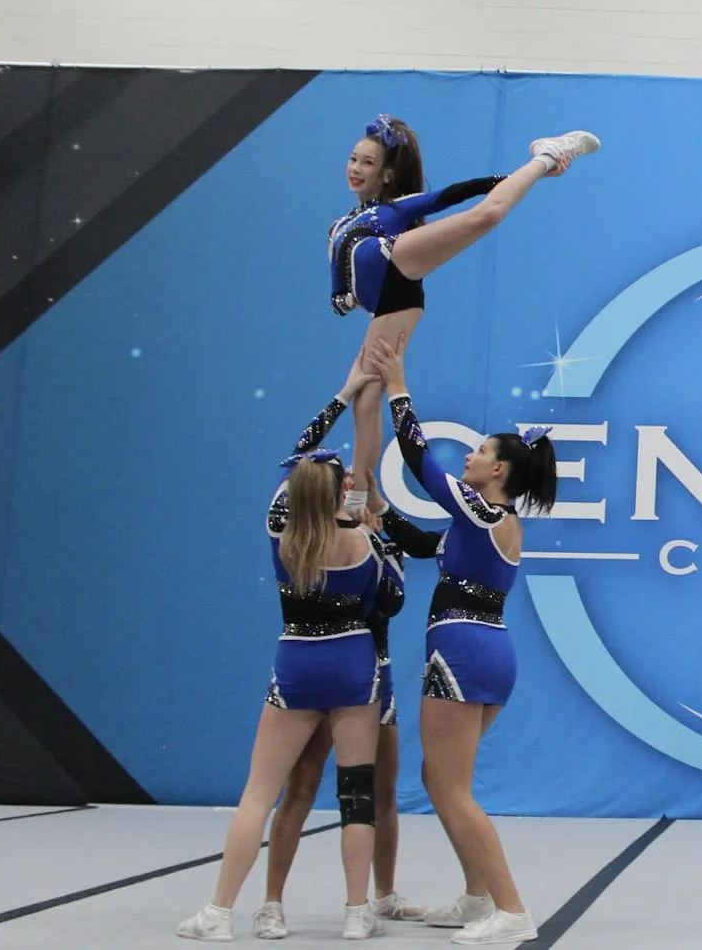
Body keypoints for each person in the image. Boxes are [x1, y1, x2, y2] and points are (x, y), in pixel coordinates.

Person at [178, 379, 397, 942]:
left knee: (259, 792)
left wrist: (345, 395)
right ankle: (355, 913)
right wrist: (379, 536)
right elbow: (390, 599)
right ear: (337, 493)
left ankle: (221, 912)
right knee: (357, 796)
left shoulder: (283, 530)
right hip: (354, 665)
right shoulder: (362, 541)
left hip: (298, 661)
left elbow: (300, 452)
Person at [365, 337, 558, 946]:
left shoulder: (483, 511)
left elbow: (422, 463)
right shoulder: (483, 524)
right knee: (442, 779)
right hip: (487, 650)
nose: (470, 457)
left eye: (478, 452)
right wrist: (380, 513)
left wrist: (398, 384)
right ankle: (479, 898)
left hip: (463, 652)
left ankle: (512, 909)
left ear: (498, 470)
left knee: (449, 788)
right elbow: (425, 547)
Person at [329, 114, 597, 497]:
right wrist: (343, 293)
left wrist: (507, 178)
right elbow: (343, 273)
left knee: (485, 215)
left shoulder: (394, 209)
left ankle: (547, 156)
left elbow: (453, 194)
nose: (355, 168)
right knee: (364, 397)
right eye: (354, 159)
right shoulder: (343, 223)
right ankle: (364, 492)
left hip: (395, 266)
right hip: (385, 300)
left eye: (367, 163)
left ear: (387, 175)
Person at [253, 489, 443, 938]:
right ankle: (271, 902)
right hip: (324, 673)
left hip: (374, 671)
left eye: (356, 489)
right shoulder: (309, 536)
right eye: (343, 487)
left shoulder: (374, 537)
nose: (350, 495)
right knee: (300, 786)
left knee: (381, 790)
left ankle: (383, 895)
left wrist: (380, 537)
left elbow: (391, 602)